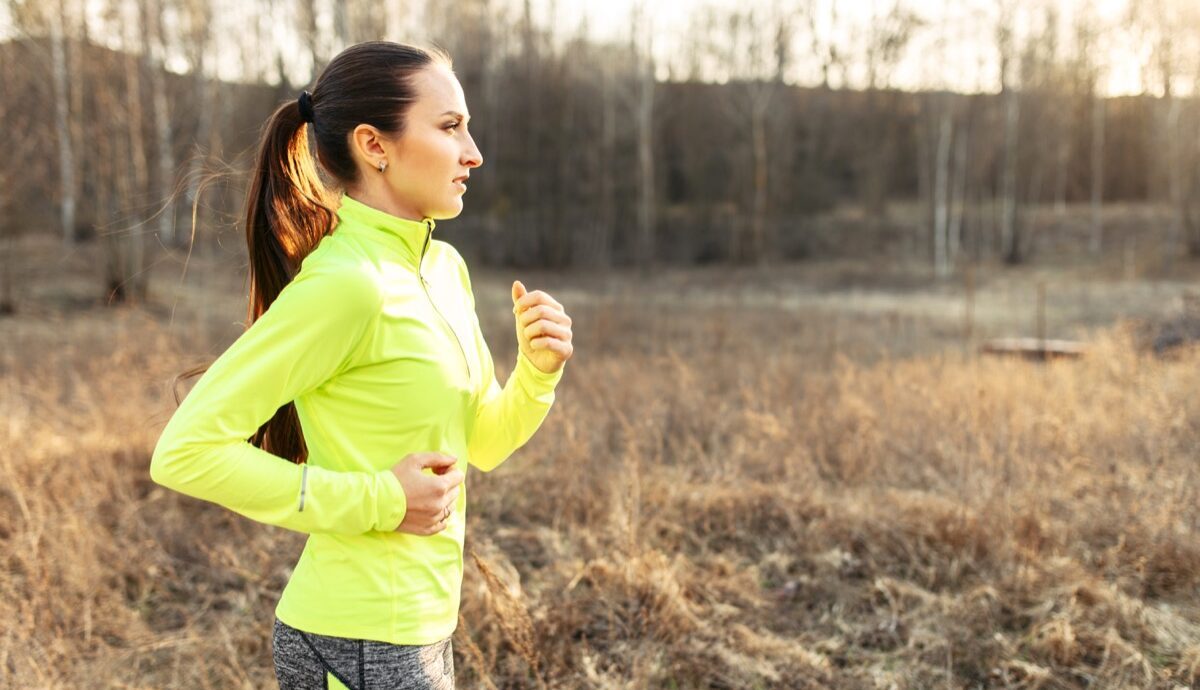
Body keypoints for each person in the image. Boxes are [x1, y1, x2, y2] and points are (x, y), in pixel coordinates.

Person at [149, 41, 573, 690]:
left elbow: (481, 444)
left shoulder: (444, 269)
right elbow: (184, 451)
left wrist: (536, 374)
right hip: (355, 636)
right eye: (450, 127)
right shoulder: (347, 285)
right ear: (375, 146)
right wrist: (380, 498)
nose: (474, 152)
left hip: (422, 629)